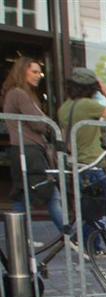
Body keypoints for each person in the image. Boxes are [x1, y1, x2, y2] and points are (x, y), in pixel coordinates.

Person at [57, 67, 106, 252]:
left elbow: (66, 139)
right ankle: (82, 240)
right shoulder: (87, 105)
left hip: (78, 164)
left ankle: (93, 246)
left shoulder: (64, 108)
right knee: (103, 206)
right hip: (93, 163)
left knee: (89, 207)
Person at [2, 56, 64, 234]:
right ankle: (70, 235)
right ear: (23, 72)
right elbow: (39, 124)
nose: (39, 76)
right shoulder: (19, 94)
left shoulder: (18, 93)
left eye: (40, 72)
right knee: (51, 194)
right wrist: (47, 123)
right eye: (34, 72)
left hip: (24, 150)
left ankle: (20, 238)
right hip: (29, 151)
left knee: (22, 195)